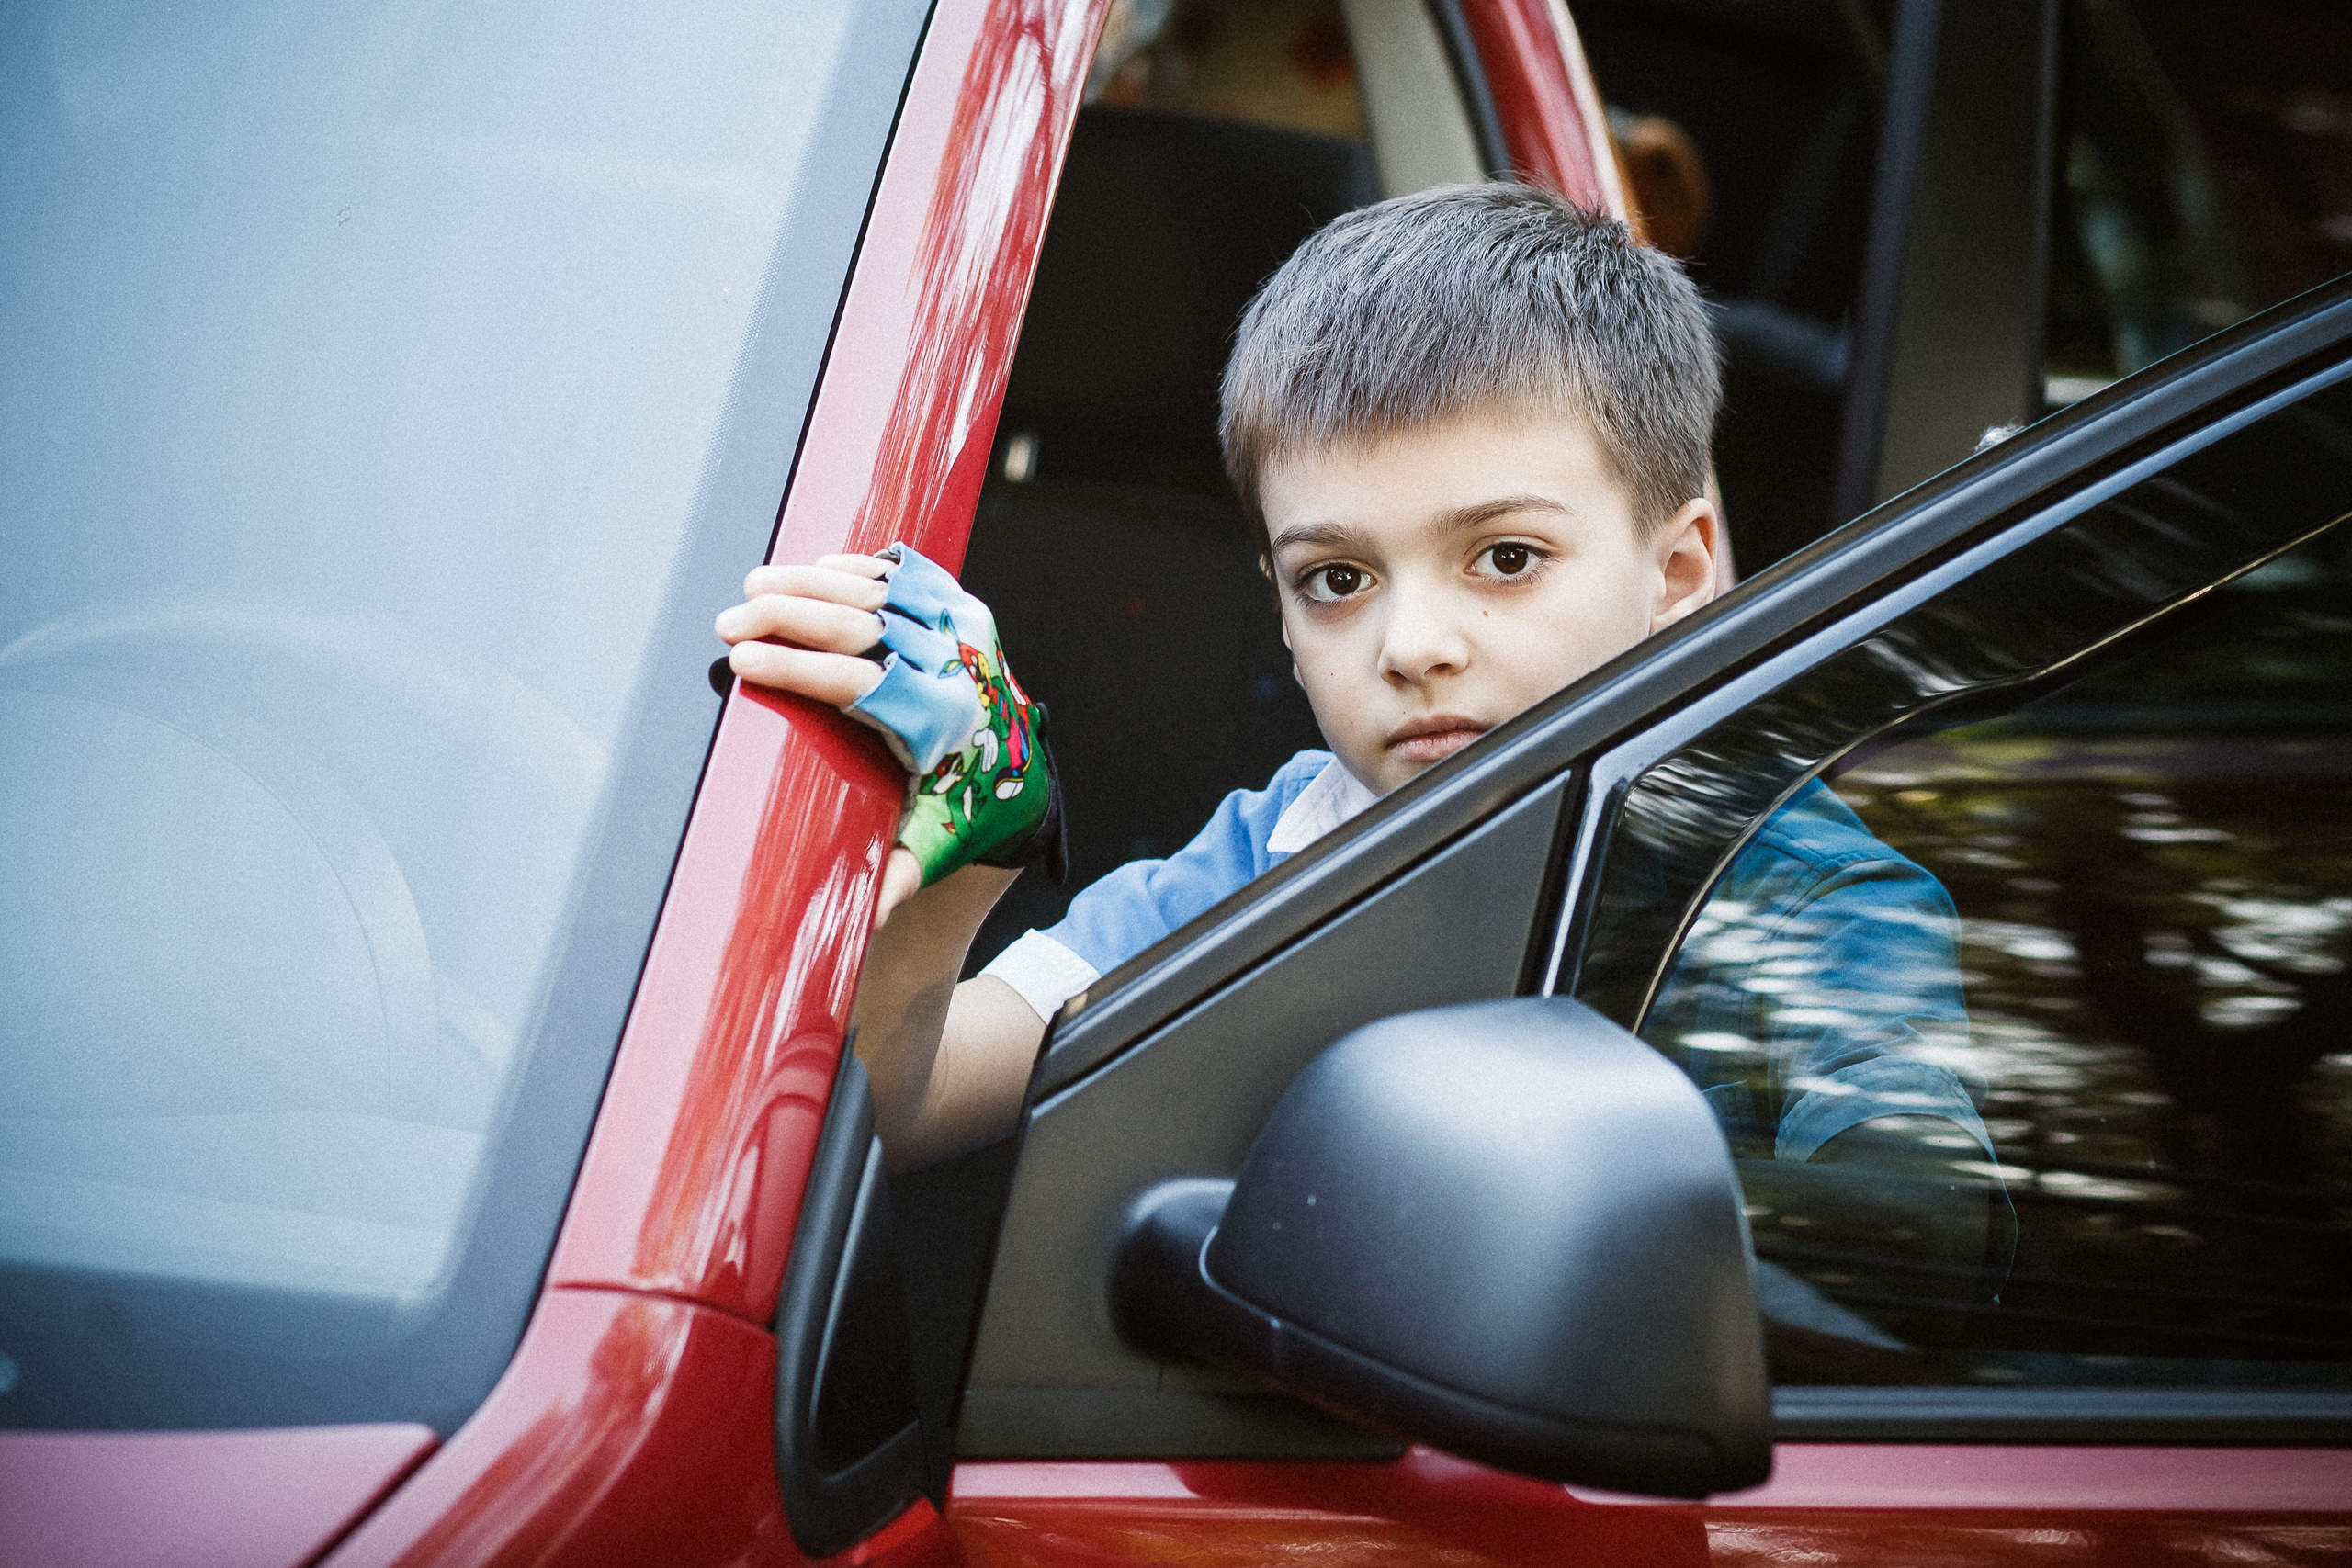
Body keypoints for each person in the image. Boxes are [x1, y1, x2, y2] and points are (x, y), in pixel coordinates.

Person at [715, 184, 1991, 1201]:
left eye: (1504, 557)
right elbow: (915, 1098)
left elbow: (1910, 1234)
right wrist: (980, 827)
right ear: (1276, 603)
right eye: (1336, 577)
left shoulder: (1804, 890)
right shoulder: (1268, 855)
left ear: (1677, 573)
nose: (1412, 644)